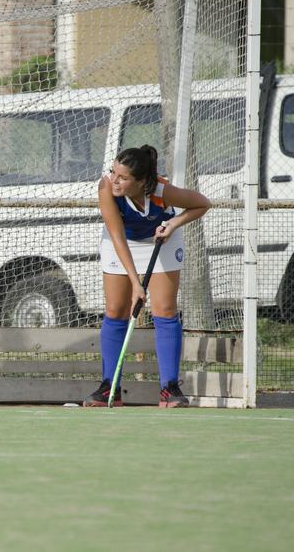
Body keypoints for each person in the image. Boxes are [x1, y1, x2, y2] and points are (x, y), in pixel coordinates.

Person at [84, 145, 211, 408]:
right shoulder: (106, 188)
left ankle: (169, 387)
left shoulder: (162, 191)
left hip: (160, 240)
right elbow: (117, 237)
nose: (114, 180)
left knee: (164, 309)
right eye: (113, 172)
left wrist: (171, 224)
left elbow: (202, 204)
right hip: (122, 242)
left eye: (122, 177)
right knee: (115, 310)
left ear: (141, 182)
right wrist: (135, 283)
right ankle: (110, 386)